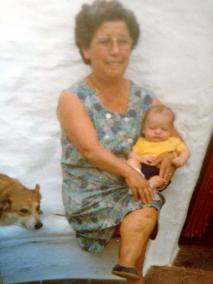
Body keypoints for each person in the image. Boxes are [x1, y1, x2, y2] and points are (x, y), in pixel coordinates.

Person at [57, 1, 179, 283]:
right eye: (104, 41)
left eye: (123, 42)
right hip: (89, 192)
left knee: (149, 203)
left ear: (130, 48)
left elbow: (173, 133)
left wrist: (169, 154)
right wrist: (129, 172)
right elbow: (90, 150)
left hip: (131, 187)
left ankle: (128, 271)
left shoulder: (143, 97)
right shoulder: (73, 97)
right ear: (86, 49)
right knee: (145, 198)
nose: (115, 50)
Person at [128, 105, 190, 191]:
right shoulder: (142, 141)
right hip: (142, 168)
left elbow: (185, 150)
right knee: (131, 161)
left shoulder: (173, 141)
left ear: (171, 131)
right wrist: (141, 158)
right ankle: (139, 177)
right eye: (152, 128)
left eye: (164, 129)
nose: (158, 132)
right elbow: (132, 154)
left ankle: (148, 188)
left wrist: (181, 160)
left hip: (160, 171)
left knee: (157, 180)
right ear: (143, 129)